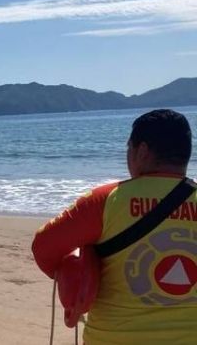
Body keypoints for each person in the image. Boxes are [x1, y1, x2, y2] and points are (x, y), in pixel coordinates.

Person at [32, 109, 197, 344]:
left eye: (128, 149)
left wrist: (79, 276)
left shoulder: (106, 201)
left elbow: (44, 247)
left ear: (141, 151)